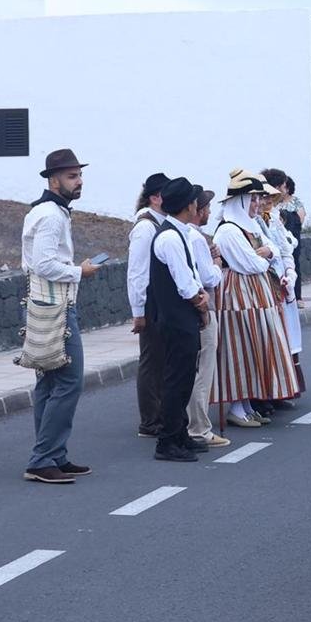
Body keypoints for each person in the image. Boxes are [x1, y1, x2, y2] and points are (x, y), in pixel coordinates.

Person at [23, 148, 101, 484]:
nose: (79, 181)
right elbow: (42, 264)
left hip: (47, 304)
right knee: (68, 381)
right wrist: (79, 271)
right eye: (72, 176)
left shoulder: (49, 211)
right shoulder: (52, 215)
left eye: (80, 175)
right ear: (54, 180)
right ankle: (43, 458)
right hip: (55, 306)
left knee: (51, 381)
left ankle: (53, 454)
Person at [212, 170, 301, 428]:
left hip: (254, 296)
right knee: (240, 349)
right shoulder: (228, 231)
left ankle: (247, 405)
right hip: (237, 298)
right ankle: (237, 408)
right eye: (251, 199)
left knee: (254, 349)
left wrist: (268, 252)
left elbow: (273, 247)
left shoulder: (249, 226)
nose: (256, 204)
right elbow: (250, 263)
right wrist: (266, 255)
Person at [147, 177, 212, 462]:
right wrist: (202, 302)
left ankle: (180, 433)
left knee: (184, 378)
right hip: (176, 317)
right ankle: (167, 440)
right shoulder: (170, 237)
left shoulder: (179, 232)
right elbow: (185, 283)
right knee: (176, 379)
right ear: (188, 205)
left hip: (180, 317)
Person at [182, 187, 230, 451]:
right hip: (204, 304)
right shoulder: (197, 238)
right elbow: (209, 277)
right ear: (197, 210)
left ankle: (192, 423)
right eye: (207, 207)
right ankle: (199, 427)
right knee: (205, 368)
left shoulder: (181, 234)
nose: (210, 212)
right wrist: (217, 262)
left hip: (187, 309)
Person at [126, 172, 172, 439]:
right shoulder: (145, 227)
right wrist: (139, 311)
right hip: (151, 303)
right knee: (151, 362)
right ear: (155, 198)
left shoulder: (159, 223)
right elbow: (137, 273)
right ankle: (150, 421)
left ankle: (159, 415)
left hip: (159, 302)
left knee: (160, 361)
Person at [260, 167, 305, 406]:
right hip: (267, 284)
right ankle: (269, 393)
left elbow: (286, 248)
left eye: (270, 197)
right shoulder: (252, 222)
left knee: (286, 337)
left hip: (283, 281)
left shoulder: (275, 217)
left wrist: (290, 272)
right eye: (263, 197)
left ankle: (283, 389)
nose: (267, 201)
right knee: (272, 340)